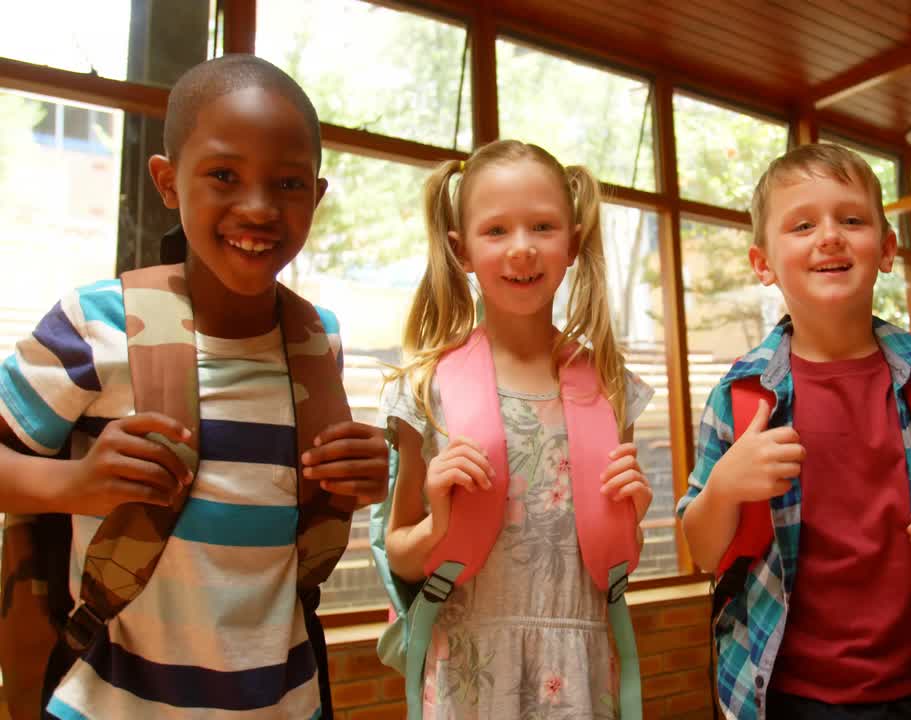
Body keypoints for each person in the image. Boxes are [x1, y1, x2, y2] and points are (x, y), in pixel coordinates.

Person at [0, 54, 388, 719]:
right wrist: (74, 485)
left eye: (289, 182)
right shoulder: (93, 324)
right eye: (224, 175)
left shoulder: (319, 339)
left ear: (316, 197)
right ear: (168, 181)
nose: (259, 207)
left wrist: (376, 476)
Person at [678, 143, 911, 720]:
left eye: (851, 220)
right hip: (780, 693)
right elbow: (705, 550)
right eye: (802, 225)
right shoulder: (739, 395)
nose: (829, 236)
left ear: (886, 249)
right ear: (763, 264)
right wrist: (726, 486)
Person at [376, 139, 654, 719]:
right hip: (470, 675)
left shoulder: (610, 385)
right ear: (462, 251)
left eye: (543, 227)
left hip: (580, 669)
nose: (522, 249)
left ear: (573, 242)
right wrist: (438, 518)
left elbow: (611, 561)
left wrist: (634, 516)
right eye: (496, 230)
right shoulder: (426, 391)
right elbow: (400, 555)